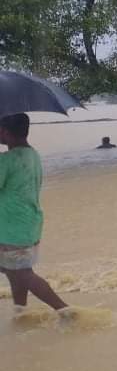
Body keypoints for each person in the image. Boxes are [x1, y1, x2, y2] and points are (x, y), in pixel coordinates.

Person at [0, 113, 72, 319]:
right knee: (17, 271)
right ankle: (20, 311)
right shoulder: (32, 154)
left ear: (5, 131)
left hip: (10, 227)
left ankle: (65, 310)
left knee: (21, 273)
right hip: (28, 223)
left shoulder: (7, 160)